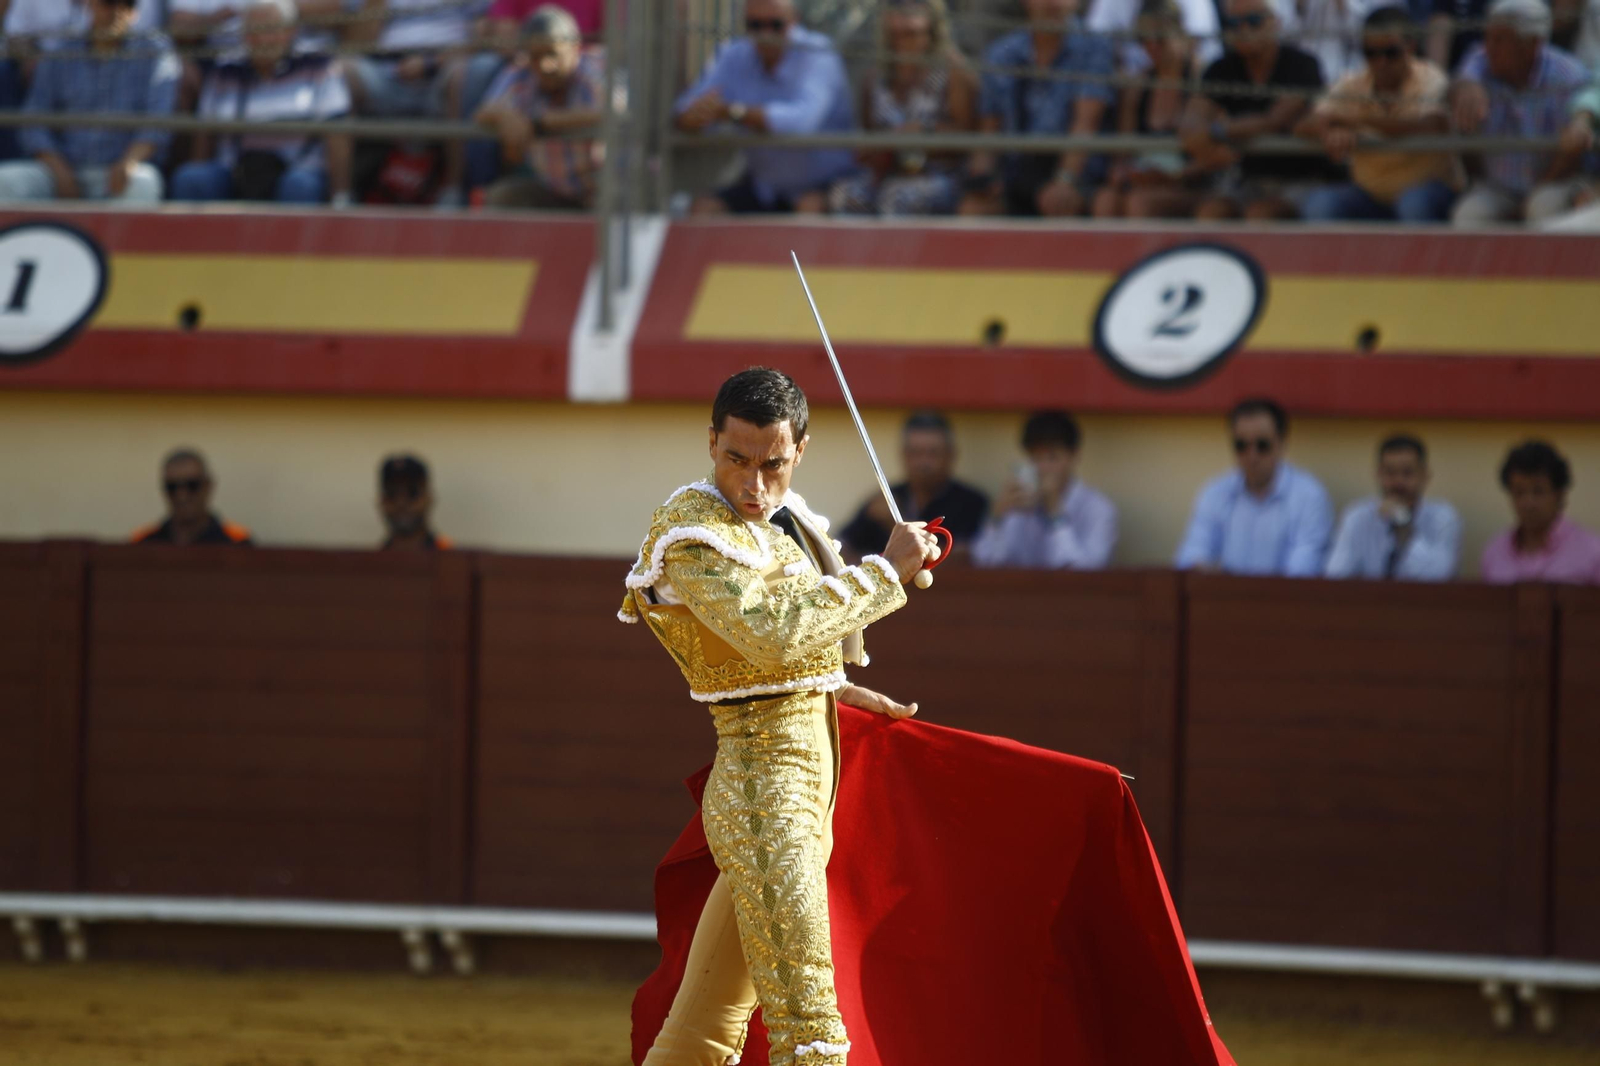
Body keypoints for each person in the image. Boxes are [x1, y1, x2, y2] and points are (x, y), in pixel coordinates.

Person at [622, 367, 940, 1066]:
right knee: (809, 1023)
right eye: (736, 460)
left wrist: (833, 687)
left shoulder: (785, 523)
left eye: (773, 465)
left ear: (800, 451)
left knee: (703, 1027)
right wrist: (885, 572)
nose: (754, 486)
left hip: (804, 788)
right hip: (764, 795)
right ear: (711, 442)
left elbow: (782, 657)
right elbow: (770, 632)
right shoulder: (692, 536)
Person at [674, 0, 857, 214]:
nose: (765, 34)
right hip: (765, 188)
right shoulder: (736, 55)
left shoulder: (817, 51)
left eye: (775, 25)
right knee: (703, 209)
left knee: (808, 211)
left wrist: (734, 113)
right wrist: (693, 116)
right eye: (755, 25)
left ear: (794, 21)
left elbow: (801, 123)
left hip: (827, 185)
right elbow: (685, 109)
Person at [170, 0, 354, 206]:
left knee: (299, 185)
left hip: (298, 172)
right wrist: (200, 165)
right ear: (243, 35)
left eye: (272, 30)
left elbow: (337, 130)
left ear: (291, 31)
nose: (263, 39)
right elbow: (204, 131)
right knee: (191, 178)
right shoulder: (224, 70)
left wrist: (341, 196)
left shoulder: (320, 66)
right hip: (235, 173)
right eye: (255, 31)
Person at [1295, 5, 1462, 222]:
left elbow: (1427, 126)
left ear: (1410, 47)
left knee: (1413, 205)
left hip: (1427, 191)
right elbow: (1303, 125)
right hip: (1370, 195)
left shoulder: (1430, 78)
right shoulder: (1353, 83)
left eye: (1390, 53)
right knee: (1320, 204)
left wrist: (1352, 121)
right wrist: (1332, 129)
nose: (1380, 63)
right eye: (1371, 53)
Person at [0, 0, 177, 204]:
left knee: (143, 183)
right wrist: (59, 170)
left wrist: (129, 162)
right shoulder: (62, 49)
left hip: (121, 171)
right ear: (90, 4)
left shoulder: (155, 51)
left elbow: (159, 122)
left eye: (127, 5)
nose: (116, 12)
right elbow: (34, 121)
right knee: (5, 181)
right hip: (61, 168)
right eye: (107, 3)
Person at [960, 0, 1115, 217]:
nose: (1053, 4)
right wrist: (982, 179)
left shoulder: (1094, 47)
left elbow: (1085, 124)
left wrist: (1065, 180)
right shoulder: (1002, 52)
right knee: (974, 208)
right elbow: (990, 130)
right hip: (1016, 171)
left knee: (1057, 202)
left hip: (1075, 171)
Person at [343, 0, 505, 208]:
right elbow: (356, 43)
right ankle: (342, 196)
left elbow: (481, 36)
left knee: (463, 74)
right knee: (343, 70)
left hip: (445, 70)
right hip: (386, 71)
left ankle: (453, 192)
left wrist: (430, 63)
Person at [1176, 0, 1328, 220]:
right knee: (1211, 213)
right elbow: (1191, 122)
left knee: (1260, 215)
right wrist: (1207, 149)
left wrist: (1217, 132)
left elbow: (1274, 120)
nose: (1243, 29)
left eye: (1254, 20)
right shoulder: (1222, 68)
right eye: (1233, 23)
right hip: (1246, 179)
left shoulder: (1303, 65)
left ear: (1275, 23)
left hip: (1301, 178)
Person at [826, 0, 978, 217]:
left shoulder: (953, 70)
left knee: (898, 198)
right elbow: (870, 135)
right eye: (895, 35)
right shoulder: (874, 77)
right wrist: (875, 151)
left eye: (911, 34)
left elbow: (967, 135)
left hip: (940, 174)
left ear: (932, 29)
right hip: (889, 174)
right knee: (845, 195)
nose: (903, 42)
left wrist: (922, 135)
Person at [1450, 0, 1592, 225]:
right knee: (1468, 215)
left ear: (1531, 44)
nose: (1489, 47)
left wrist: (1531, 197)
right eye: (1488, 37)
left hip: (1555, 181)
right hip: (1499, 187)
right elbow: (1465, 72)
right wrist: (1465, 83)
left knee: (1541, 207)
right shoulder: (1480, 64)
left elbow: (1571, 155)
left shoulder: (1568, 76)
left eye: (1500, 40)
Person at [1174, 398, 1333, 576]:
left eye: (1262, 445)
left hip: (1281, 595)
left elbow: (1303, 572)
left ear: (1282, 444)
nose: (1252, 456)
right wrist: (1202, 568)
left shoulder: (1308, 496)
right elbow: (1190, 558)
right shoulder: (1215, 493)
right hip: (1224, 594)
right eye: (1241, 445)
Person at [472, 5, 605, 210]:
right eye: (536, 56)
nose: (545, 65)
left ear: (575, 47)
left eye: (553, 54)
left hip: (604, 192)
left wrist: (540, 122)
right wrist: (506, 116)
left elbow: (614, 113)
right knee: (502, 197)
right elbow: (482, 113)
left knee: (615, 203)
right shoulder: (522, 73)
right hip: (555, 192)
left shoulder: (595, 68)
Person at [1093, 0, 1206, 219]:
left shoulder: (1200, 81)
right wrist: (1125, 173)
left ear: (1181, 34)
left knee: (1140, 203)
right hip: (1144, 180)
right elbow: (1123, 151)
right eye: (1143, 39)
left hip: (1189, 182)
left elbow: (1212, 157)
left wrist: (1171, 177)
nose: (1151, 46)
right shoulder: (1137, 88)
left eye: (1160, 38)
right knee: (1106, 199)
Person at [972, 410, 1118, 570]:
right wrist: (997, 516)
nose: (1042, 468)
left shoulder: (1098, 508)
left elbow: (1085, 571)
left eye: (1052, 458)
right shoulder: (1019, 504)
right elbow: (986, 561)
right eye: (1035, 458)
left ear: (1074, 456)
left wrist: (1056, 515)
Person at [838, 410, 989, 559]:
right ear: (904, 455)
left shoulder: (971, 504)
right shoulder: (887, 498)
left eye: (933, 453)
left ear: (951, 455)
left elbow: (967, 558)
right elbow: (841, 548)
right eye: (916, 453)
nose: (924, 463)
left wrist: (894, 525)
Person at [1325, 434, 1461, 581]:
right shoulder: (1358, 516)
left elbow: (1439, 577)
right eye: (1390, 473)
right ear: (1378, 474)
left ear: (1424, 475)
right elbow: (1336, 575)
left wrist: (1403, 526)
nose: (1398, 482)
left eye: (1407, 473)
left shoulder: (1443, 518)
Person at [1480, 440, 1600, 584]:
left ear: (1559, 495)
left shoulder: (1592, 552)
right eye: (1519, 492)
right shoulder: (1495, 553)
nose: (1528, 503)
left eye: (1538, 492)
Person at [132, 448, 254, 546]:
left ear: (208, 486)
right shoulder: (143, 543)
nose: (182, 496)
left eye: (192, 485)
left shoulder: (237, 543)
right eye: (172, 487)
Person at [378, 454, 453, 550]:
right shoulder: (372, 558)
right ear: (381, 500)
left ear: (429, 498)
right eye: (391, 494)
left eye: (412, 493)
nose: (401, 503)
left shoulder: (450, 555)